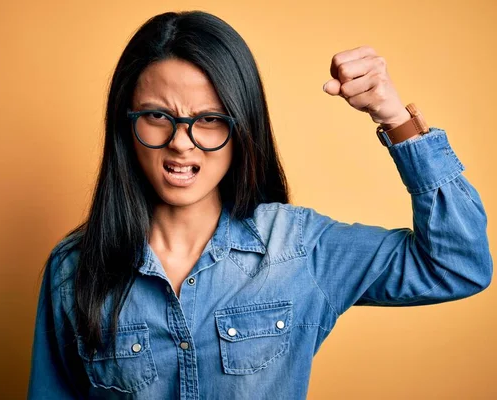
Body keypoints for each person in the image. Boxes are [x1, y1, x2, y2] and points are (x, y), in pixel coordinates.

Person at [27, 10, 492, 400]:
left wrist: (395, 120)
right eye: (156, 116)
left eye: (209, 120)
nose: (181, 144)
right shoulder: (73, 269)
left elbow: (457, 264)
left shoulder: (300, 250)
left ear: (242, 127)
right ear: (126, 127)